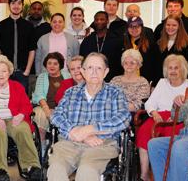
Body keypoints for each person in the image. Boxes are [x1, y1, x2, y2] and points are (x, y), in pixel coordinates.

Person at [48, 53, 131, 181]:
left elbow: (124, 118)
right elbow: (56, 116)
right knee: (55, 169)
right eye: (90, 68)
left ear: (106, 72)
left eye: (99, 68)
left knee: (86, 171)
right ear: (83, 71)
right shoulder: (71, 93)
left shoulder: (115, 92)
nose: (94, 72)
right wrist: (74, 131)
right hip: (70, 142)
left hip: (102, 144)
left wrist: (91, 129)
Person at [0, 55, 43, 181]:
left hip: (13, 118)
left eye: (4, 71)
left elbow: (27, 105)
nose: (0, 74)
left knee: (22, 129)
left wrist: (21, 115)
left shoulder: (17, 86)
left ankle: (31, 166)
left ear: (9, 72)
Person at [136, 54, 188, 181]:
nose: (173, 71)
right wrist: (154, 113)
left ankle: (172, 174)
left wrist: (179, 115)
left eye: (176, 68)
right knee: (143, 131)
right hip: (159, 118)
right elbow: (150, 103)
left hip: (180, 119)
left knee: (172, 135)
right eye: (170, 68)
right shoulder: (162, 82)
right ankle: (144, 174)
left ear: (183, 69)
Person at [0, 0, 36, 92]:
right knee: (4, 99)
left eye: (19, 3)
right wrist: (1, 69)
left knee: (21, 102)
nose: (16, 6)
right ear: (9, 6)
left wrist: (27, 70)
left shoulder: (29, 26)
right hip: (5, 72)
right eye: (13, 3)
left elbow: (32, 50)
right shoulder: (1, 25)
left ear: (22, 6)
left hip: (22, 72)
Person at [31, 52, 67, 150]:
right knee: (40, 115)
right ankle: (42, 143)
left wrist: (58, 110)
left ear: (60, 65)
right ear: (45, 65)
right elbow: (39, 95)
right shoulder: (42, 77)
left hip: (62, 108)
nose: (52, 66)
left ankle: (63, 145)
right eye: (49, 63)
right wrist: (47, 109)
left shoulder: (68, 76)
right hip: (44, 106)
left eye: (55, 63)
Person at [79, 11, 124, 81]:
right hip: (92, 79)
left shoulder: (117, 39)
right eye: (96, 20)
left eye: (102, 19)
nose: (99, 21)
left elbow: (121, 62)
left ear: (107, 21)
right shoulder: (87, 40)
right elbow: (82, 60)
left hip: (112, 79)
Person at [157, 15, 188, 80]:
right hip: (163, 83)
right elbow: (156, 65)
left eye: (174, 25)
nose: (170, 27)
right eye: (168, 25)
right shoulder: (159, 43)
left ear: (179, 27)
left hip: (183, 82)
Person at [123, 17, 161, 86]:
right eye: (131, 26)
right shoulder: (123, 43)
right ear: (127, 29)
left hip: (146, 82)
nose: (134, 29)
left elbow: (157, 65)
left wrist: (154, 83)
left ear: (142, 28)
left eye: (137, 26)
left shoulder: (150, 44)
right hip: (127, 82)